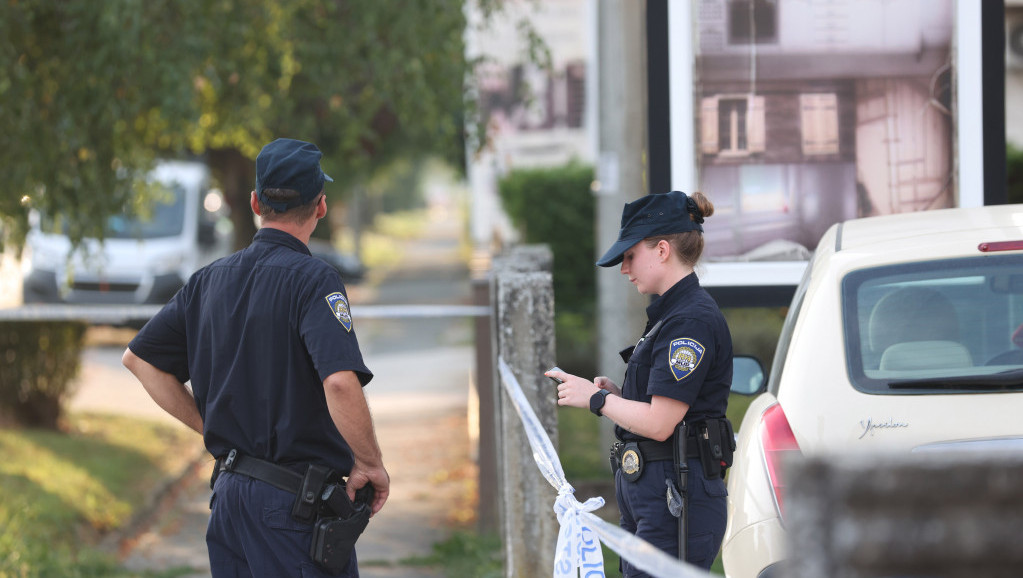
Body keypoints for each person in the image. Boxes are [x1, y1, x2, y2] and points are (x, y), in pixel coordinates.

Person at [122, 138, 389, 577]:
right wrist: (370, 463)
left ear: (254, 202)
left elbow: (140, 360)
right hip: (293, 512)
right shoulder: (314, 280)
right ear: (320, 207)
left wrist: (210, 428)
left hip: (229, 500)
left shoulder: (209, 281)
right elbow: (340, 382)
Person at [547, 190, 733, 574]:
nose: (623, 268)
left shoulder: (689, 322)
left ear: (662, 250)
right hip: (659, 496)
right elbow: (664, 410)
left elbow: (661, 424)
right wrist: (619, 396)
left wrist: (597, 399)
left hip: (676, 499)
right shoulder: (672, 315)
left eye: (630, 255)